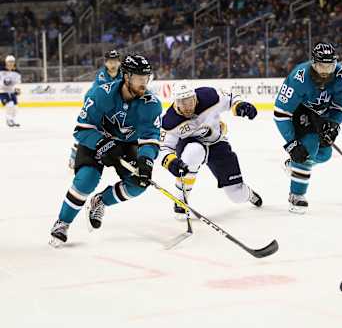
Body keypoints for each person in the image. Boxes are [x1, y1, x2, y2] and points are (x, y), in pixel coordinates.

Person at [49, 54, 162, 247]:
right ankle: (63, 223)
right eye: (139, 79)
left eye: (146, 78)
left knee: (138, 184)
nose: (144, 83)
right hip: (96, 141)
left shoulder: (151, 104)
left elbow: (150, 139)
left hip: (127, 145)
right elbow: (82, 129)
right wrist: (104, 144)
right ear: (126, 77)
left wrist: (146, 160)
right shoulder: (102, 94)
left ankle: (100, 201)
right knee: (86, 180)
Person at [159, 81, 262, 220]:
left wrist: (240, 105)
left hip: (217, 143)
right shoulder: (170, 122)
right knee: (193, 152)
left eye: (189, 101)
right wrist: (171, 162)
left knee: (237, 196)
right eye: (182, 103)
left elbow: (231, 99)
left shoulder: (209, 97)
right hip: (190, 143)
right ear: (175, 102)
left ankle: (248, 194)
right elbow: (164, 148)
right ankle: (180, 200)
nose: (187, 107)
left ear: (195, 97)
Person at [273, 42, 342, 214]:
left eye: (330, 66)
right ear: (313, 63)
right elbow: (281, 113)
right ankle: (296, 195)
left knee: (325, 154)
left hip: (322, 114)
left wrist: (333, 125)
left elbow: (340, 108)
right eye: (322, 66)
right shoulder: (299, 77)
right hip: (299, 111)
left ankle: (294, 166)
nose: (326, 70)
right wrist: (292, 143)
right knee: (307, 148)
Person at [68, 50, 123, 169]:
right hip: (96, 105)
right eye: (110, 61)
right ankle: (75, 152)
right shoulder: (102, 76)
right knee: (91, 130)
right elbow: (104, 96)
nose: (113, 64)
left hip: (111, 106)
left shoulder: (124, 74)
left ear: (119, 62)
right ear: (106, 62)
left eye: (115, 61)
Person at [0, 55, 21, 127]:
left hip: (11, 91)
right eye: (9, 61)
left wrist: (17, 89)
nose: (11, 63)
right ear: (6, 62)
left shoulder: (17, 72)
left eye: (12, 61)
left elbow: (18, 82)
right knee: (10, 104)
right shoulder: (1, 70)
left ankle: (12, 119)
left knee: (15, 108)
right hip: (2, 91)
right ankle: (8, 120)